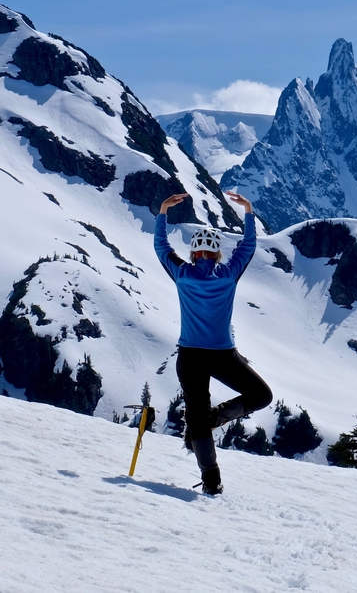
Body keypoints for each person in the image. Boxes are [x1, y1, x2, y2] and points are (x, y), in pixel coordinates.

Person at [154, 191, 272, 495]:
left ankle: (211, 478)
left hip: (190, 356)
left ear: (193, 253)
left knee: (197, 415)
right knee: (260, 395)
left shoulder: (182, 274)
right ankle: (208, 421)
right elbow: (248, 247)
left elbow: (161, 246)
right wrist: (247, 212)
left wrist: (163, 212)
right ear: (217, 253)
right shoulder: (228, 275)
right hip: (223, 356)